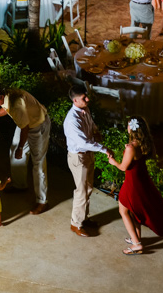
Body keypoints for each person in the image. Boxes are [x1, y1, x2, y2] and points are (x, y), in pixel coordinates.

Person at [108, 116, 163, 255]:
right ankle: (136, 238)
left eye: (128, 125)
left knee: (123, 210)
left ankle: (137, 243)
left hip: (132, 183)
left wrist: (113, 161)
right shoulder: (145, 143)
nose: (126, 127)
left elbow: (123, 167)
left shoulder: (131, 147)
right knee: (133, 211)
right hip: (141, 179)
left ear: (132, 128)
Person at [0, 86, 51, 215]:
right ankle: (19, 185)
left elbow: (25, 128)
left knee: (38, 163)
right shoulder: (7, 95)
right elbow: (6, 109)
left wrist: (21, 147)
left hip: (38, 125)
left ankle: (42, 201)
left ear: (1, 97)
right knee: (14, 152)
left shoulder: (16, 103)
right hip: (25, 124)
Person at [63, 86, 112, 237]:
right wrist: (103, 148)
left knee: (88, 189)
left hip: (88, 154)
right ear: (75, 100)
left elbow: (91, 125)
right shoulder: (71, 120)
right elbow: (83, 142)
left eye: (87, 96)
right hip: (78, 157)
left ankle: (83, 218)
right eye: (84, 98)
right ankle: (75, 224)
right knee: (81, 191)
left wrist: (96, 131)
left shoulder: (86, 110)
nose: (88, 99)